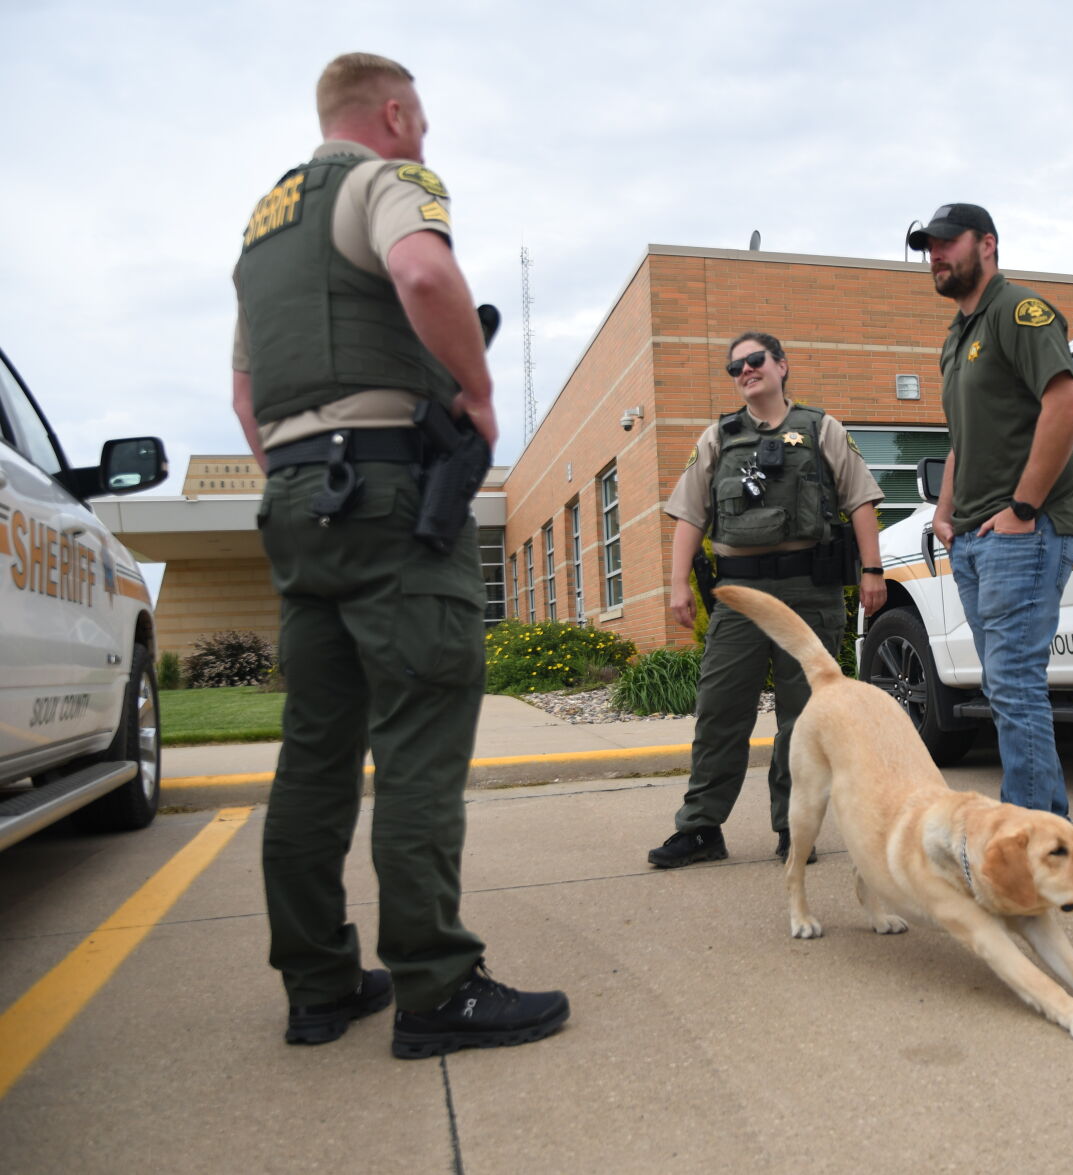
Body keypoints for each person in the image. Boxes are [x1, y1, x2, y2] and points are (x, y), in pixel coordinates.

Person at [231, 52, 568, 1059]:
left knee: (314, 751)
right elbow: (423, 272)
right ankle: (436, 986)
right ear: (390, 112)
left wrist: (302, 469)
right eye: (416, 122)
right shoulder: (386, 181)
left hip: (295, 497)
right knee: (420, 731)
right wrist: (475, 393)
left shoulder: (264, 231)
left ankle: (319, 983)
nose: (423, 140)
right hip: (388, 497)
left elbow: (246, 399)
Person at [648, 331, 887, 867]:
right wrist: (677, 582)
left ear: (782, 365)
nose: (745, 372)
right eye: (735, 368)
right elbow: (690, 514)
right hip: (739, 593)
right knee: (719, 710)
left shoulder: (822, 428)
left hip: (810, 590)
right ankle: (702, 828)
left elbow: (862, 500)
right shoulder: (717, 438)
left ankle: (793, 830)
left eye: (755, 361)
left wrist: (872, 570)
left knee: (804, 718)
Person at [907, 204, 1073, 817]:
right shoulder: (957, 337)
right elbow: (965, 436)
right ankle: (1049, 831)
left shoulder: (1018, 311)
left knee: (1013, 686)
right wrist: (945, 511)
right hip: (976, 537)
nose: (936, 255)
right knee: (1005, 687)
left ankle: (1030, 840)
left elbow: (1066, 404)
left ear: (987, 244)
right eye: (928, 246)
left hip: (1025, 532)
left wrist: (1022, 507)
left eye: (946, 242)